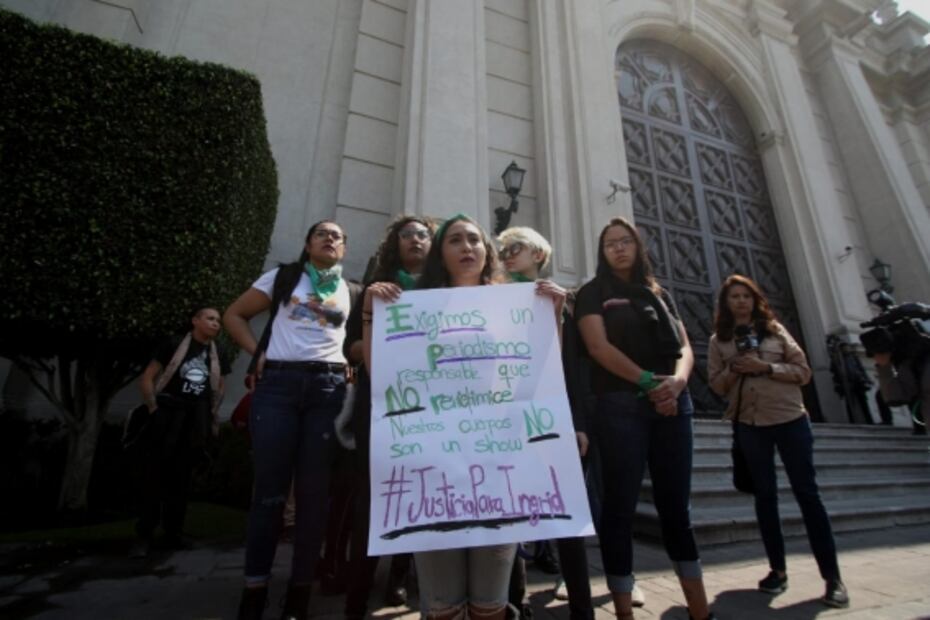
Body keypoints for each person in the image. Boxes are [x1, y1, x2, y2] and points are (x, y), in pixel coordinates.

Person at [362, 213, 564, 620]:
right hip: (433, 470)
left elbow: (536, 373)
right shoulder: (413, 306)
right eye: (455, 239)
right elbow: (382, 374)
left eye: (474, 239)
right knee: (442, 606)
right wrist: (370, 315)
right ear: (441, 252)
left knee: (490, 602)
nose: (467, 246)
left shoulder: (513, 305)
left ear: (486, 251)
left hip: (498, 467)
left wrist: (553, 316)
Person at [575, 217, 713, 620]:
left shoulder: (659, 293)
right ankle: (623, 612)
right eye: (610, 243)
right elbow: (598, 348)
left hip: (673, 404)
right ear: (602, 252)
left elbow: (685, 347)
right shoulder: (592, 293)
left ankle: (701, 611)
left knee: (677, 510)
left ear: (638, 247)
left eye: (625, 241)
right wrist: (651, 382)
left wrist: (678, 383)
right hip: (620, 405)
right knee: (620, 507)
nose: (618, 248)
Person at [224, 220, 359, 620]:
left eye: (338, 235)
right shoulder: (283, 277)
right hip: (278, 388)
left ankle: (299, 596)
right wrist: (257, 353)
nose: (331, 238)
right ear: (308, 244)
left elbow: (357, 342)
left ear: (344, 249)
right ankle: (254, 589)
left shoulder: (351, 291)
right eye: (322, 233)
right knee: (269, 493)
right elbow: (234, 315)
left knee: (315, 498)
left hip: (328, 392)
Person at [707, 274, 849, 609]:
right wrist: (737, 370)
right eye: (734, 297)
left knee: (808, 495)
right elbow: (716, 384)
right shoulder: (719, 341)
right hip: (750, 424)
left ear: (754, 299)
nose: (740, 301)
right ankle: (777, 571)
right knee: (765, 499)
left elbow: (803, 372)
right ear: (726, 304)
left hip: (790, 420)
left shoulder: (774, 331)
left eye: (745, 295)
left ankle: (833, 578)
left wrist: (766, 367)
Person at [498, 226, 607, 619]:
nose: (508, 254)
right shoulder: (490, 298)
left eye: (517, 248)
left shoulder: (564, 302)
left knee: (566, 517)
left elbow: (572, 371)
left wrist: (577, 422)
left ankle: (582, 607)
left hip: (552, 416)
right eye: (504, 249)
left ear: (539, 255)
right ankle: (516, 602)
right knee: (507, 512)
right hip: (505, 419)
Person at [343, 215, 436, 618]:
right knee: (373, 493)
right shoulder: (373, 292)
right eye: (407, 234)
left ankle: (400, 574)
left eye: (423, 234)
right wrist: (374, 325)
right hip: (381, 406)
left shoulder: (446, 292)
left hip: (432, 411)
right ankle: (357, 589)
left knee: (418, 490)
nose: (415, 240)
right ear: (394, 244)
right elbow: (352, 351)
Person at [130, 306, 230, 558]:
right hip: (168, 413)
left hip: (195, 418)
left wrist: (211, 415)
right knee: (155, 475)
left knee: (182, 477)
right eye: (210, 318)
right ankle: (144, 535)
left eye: (218, 320)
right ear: (195, 321)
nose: (216, 324)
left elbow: (219, 385)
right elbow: (147, 377)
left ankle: (173, 533)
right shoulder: (174, 344)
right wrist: (154, 408)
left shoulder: (219, 352)